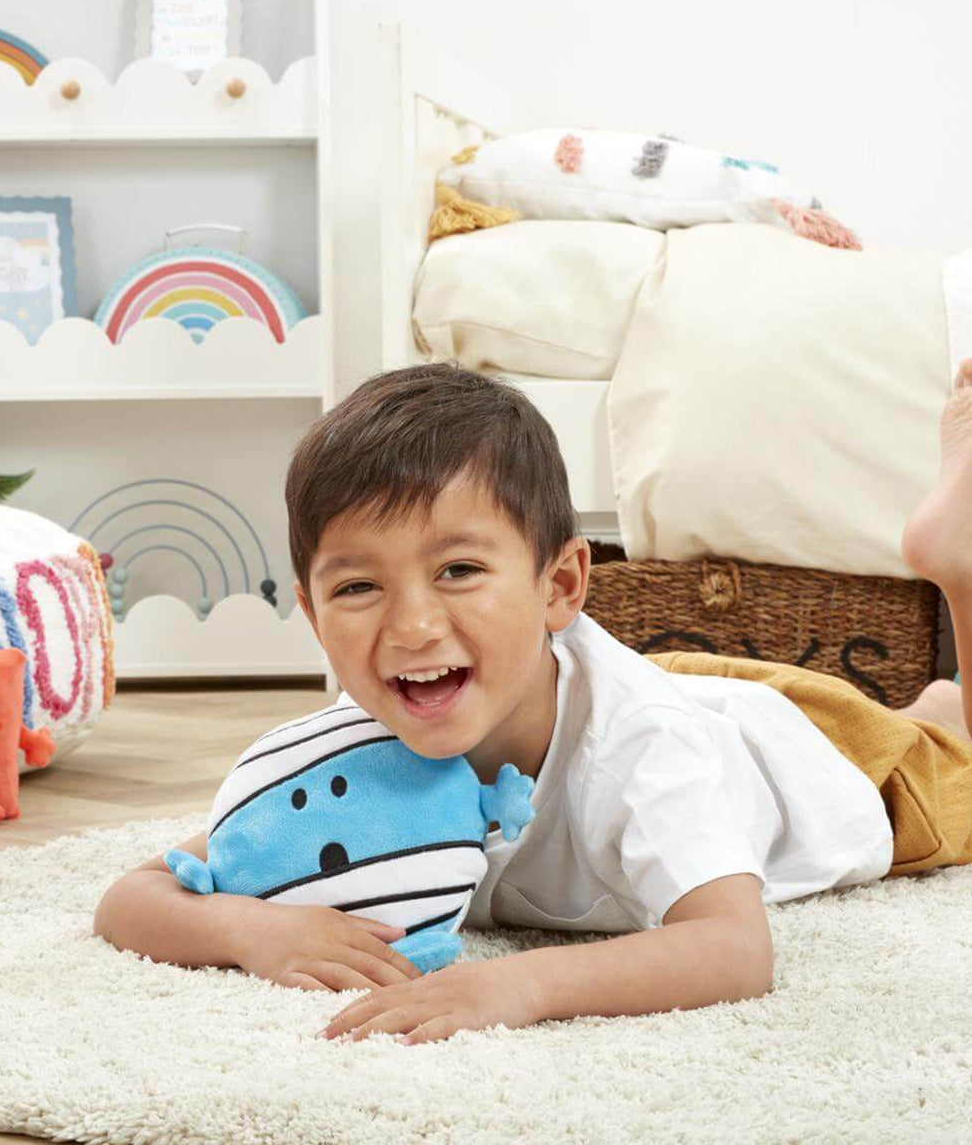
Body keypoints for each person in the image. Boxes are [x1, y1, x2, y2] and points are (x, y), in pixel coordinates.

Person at [94, 359, 972, 1046]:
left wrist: (517, 984)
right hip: (662, 686)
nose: (410, 625)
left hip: (832, 761)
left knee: (956, 750)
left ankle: (957, 576)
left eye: (458, 570)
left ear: (560, 584)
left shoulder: (642, 753)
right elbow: (134, 896)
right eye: (359, 586)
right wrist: (251, 931)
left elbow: (734, 951)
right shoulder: (349, 746)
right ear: (313, 617)